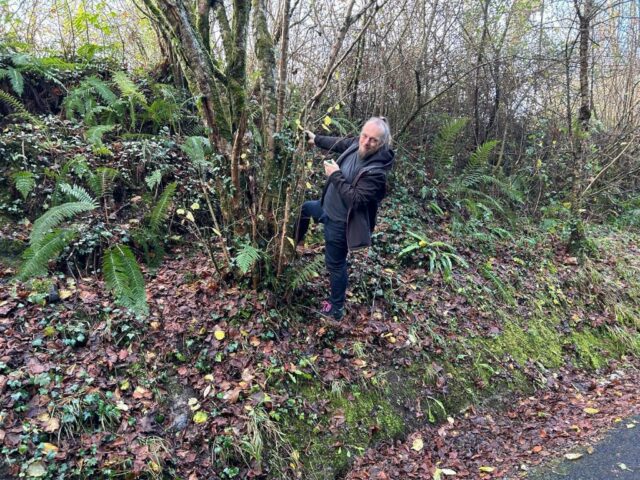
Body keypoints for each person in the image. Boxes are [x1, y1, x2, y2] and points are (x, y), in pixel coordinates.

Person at [295, 117, 395, 320]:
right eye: (364, 136)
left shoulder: (377, 173)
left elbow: (356, 200)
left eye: (373, 140)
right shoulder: (357, 144)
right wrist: (315, 139)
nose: (365, 142)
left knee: (335, 264)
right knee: (305, 209)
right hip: (325, 207)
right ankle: (293, 244)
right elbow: (340, 142)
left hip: (341, 223)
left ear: (381, 143)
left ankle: (336, 308)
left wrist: (335, 175)